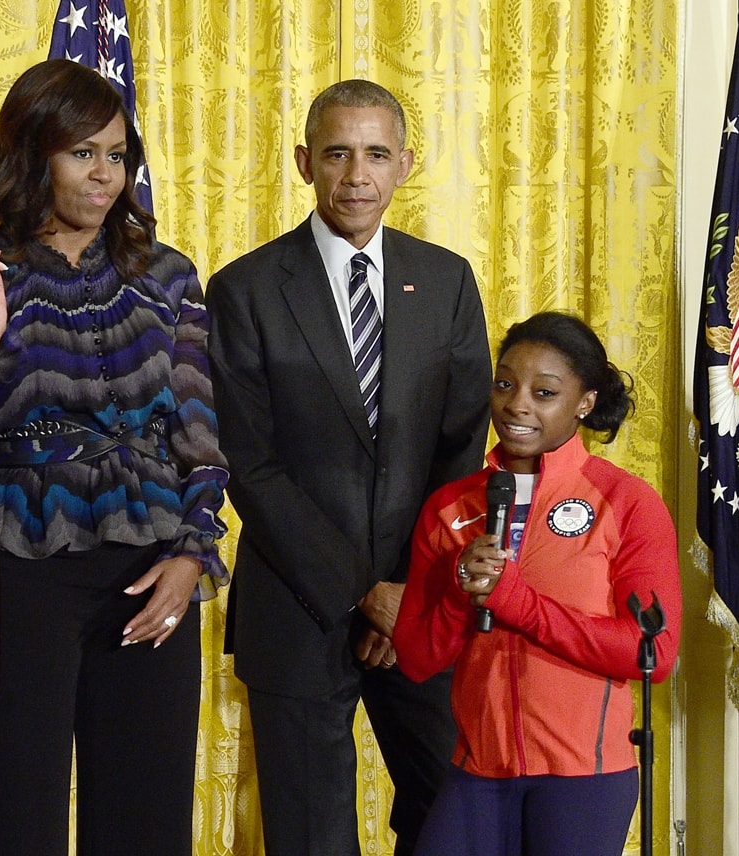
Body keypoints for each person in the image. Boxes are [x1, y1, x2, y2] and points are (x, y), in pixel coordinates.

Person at [206, 79, 492, 856]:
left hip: (422, 607)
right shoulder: (244, 290)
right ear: (305, 162)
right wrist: (365, 594)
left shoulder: (447, 281)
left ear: (405, 162)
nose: (356, 175)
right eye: (336, 153)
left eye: (374, 154)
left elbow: (462, 449)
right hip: (300, 610)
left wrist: (411, 589)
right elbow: (250, 465)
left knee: (451, 816)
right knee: (311, 836)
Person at [0, 59, 229, 856]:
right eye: (83, 152)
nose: (105, 174)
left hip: (149, 570)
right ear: (34, 154)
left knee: (145, 821)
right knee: (22, 814)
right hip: (23, 573)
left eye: (116, 154)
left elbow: (199, 431)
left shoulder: (168, 275)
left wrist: (193, 553)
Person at [393, 311, 683, 856]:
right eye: (505, 383)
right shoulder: (451, 506)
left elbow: (654, 652)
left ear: (585, 403)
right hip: (478, 770)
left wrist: (518, 602)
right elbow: (414, 658)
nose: (516, 404)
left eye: (544, 391)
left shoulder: (627, 503)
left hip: (582, 779)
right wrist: (460, 591)